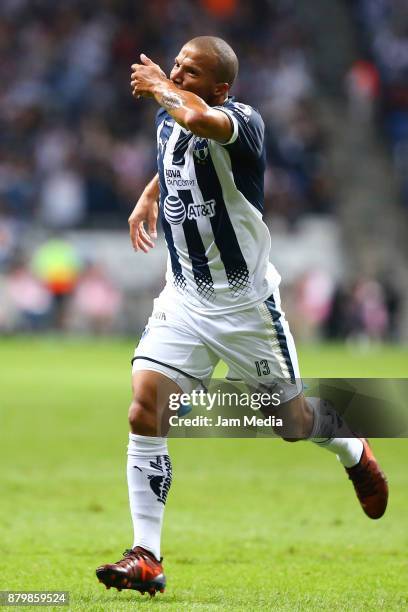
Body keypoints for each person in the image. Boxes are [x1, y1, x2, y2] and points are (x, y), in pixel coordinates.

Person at [96, 36, 388, 597]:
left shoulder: (243, 122)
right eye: (175, 63)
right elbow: (178, 141)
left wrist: (161, 86)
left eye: (191, 70)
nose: (177, 71)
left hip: (245, 308)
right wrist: (151, 193)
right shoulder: (170, 116)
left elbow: (204, 126)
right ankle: (148, 556)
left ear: (220, 87)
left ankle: (353, 448)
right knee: (143, 411)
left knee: (292, 424)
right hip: (183, 298)